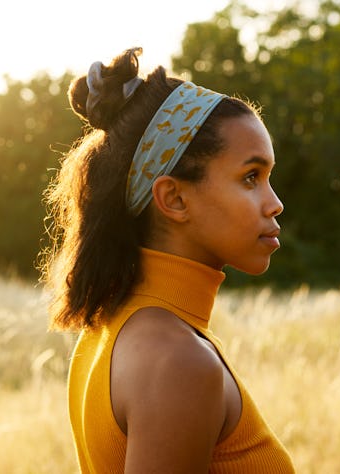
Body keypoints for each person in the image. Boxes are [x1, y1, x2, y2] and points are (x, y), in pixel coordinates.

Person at [40, 47, 294, 473]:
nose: (275, 204)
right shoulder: (177, 361)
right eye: (250, 177)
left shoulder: (116, 327)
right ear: (173, 198)